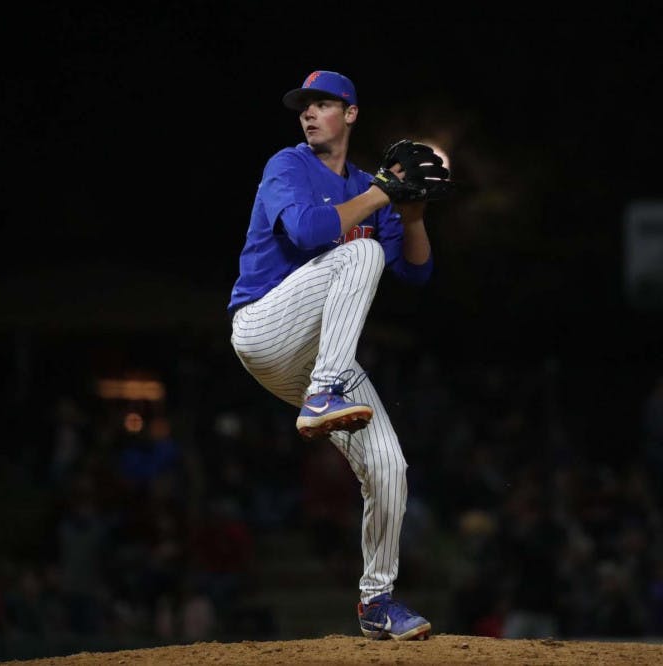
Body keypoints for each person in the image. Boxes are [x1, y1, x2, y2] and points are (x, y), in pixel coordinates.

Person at [227, 70, 444, 641]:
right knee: (361, 251)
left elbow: (417, 273)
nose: (309, 113)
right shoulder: (288, 165)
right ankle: (325, 392)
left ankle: (377, 603)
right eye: (304, 106)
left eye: (323, 104)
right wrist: (380, 194)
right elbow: (304, 230)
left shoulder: (367, 186)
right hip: (263, 327)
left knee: (390, 468)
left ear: (350, 114)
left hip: (320, 356)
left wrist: (413, 215)